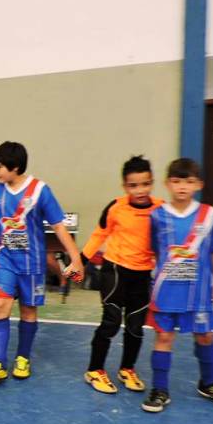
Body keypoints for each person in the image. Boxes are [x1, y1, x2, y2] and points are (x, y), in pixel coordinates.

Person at [0, 142, 84, 384]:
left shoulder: (41, 190)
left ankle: (23, 358)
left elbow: (59, 226)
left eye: (0, 167)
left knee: (28, 311)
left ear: (15, 166)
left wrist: (76, 257)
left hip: (32, 263)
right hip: (4, 259)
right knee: (1, 305)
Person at [142, 158, 213, 412]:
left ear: (199, 185)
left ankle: (209, 382)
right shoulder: (157, 216)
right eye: (177, 181)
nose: (182, 186)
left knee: (205, 335)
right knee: (164, 336)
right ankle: (160, 389)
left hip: (199, 290)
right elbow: (155, 251)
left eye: (189, 181)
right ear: (168, 184)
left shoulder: (210, 214)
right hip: (166, 290)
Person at [81, 156, 163, 394]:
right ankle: (95, 370)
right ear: (125, 186)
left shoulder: (160, 209)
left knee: (136, 326)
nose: (140, 190)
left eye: (145, 184)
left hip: (142, 273)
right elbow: (99, 235)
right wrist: (80, 261)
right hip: (115, 270)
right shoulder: (116, 207)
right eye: (134, 185)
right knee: (111, 321)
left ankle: (127, 368)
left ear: (152, 182)